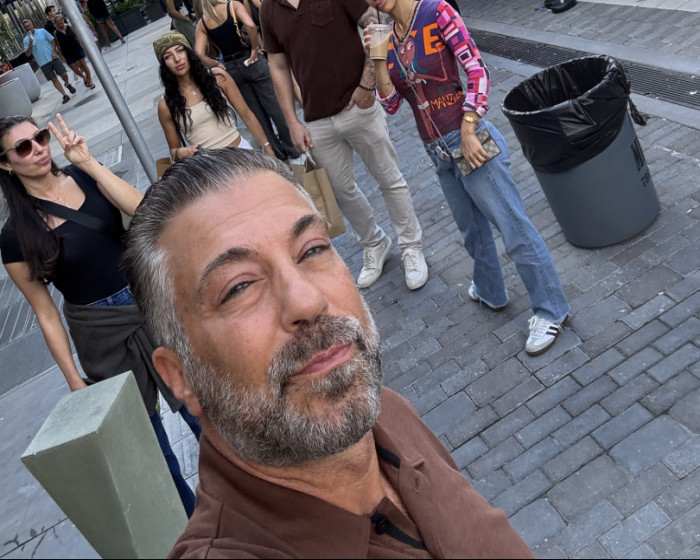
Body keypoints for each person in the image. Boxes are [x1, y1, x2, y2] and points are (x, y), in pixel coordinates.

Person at [121, 148, 535, 558]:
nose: (307, 300)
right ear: (180, 377)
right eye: (239, 287)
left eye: (313, 250)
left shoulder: (388, 413)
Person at [0, 114, 200, 517]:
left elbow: (141, 208)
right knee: (152, 443)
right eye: (23, 147)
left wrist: (89, 162)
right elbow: (46, 313)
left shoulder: (83, 175)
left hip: (147, 304)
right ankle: (197, 524)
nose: (38, 149)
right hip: (100, 332)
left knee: (202, 409)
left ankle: (249, 495)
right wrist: (73, 379)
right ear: (5, 164)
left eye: (40, 137)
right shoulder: (14, 237)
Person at [366, 0, 570, 355]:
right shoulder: (388, 35)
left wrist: (469, 126)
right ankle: (491, 291)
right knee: (472, 231)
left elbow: (477, 69)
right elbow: (393, 104)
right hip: (438, 152)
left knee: (513, 229)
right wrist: (378, 60)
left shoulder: (437, 12)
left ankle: (551, 310)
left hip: (468, 141)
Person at [261, 0, 429, 291]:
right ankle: (374, 243)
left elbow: (375, 24)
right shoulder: (268, 9)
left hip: (359, 104)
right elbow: (277, 65)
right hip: (316, 118)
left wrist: (367, 84)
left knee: (389, 178)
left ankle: (411, 246)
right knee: (341, 191)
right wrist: (292, 122)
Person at [195, 0, 300, 162]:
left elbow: (199, 54)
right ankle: (293, 147)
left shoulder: (202, 23)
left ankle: (276, 152)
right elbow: (251, 25)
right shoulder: (233, 6)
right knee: (274, 104)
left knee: (256, 114)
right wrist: (254, 48)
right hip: (251, 60)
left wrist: (216, 64)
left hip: (231, 69)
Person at [154, 31, 276, 161]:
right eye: (168, 56)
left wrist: (268, 149)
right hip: (212, 168)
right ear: (164, 65)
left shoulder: (218, 77)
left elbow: (247, 115)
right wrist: (181, 153)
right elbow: (174, 151)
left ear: (189, 53)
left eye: (180, 50)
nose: (177, 59)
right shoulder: (166, 104)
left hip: (243, 153)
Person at [22, 19, 76, 105]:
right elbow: (27, 54)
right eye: (25, 27)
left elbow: (52, 40)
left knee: (64, 74)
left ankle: (67, 84)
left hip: (52, 57)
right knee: (53, 79)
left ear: (32, 24)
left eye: (28, 25)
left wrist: (54, 51)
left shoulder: (42, 31)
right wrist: (30, 45)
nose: (28, 27)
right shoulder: (26, 40)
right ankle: (64, 95)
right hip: (42, 62)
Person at [53, 14, 96, 90]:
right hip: (67, 52)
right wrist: (61, 56)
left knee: (83, 65)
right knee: (74, 68)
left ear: (63, 20)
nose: (60, 22)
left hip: (76, 48)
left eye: (61, 20)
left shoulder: (69, 27)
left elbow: (77, 36)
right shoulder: (56, 33)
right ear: (55, 23)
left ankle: (90, 81)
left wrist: (82, 46)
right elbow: (58, 45)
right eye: (57, 21)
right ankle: (84, 77)